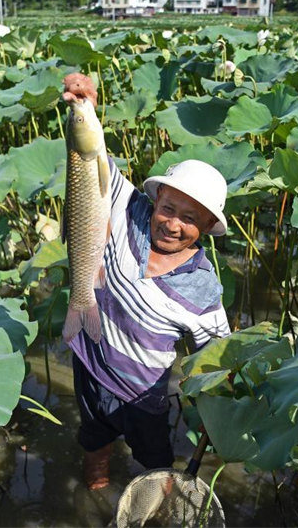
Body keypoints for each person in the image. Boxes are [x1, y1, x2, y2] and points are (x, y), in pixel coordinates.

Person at [62, 73, 231, 490]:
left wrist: (217, 412)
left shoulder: (202, 292)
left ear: (208, 226)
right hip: (92, 364)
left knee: (156, 464)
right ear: (155, 200)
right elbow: (91, 167)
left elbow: (215, 358)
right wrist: (85, 103)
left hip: (144, 395)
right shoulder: (129, 211)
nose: (173, 224)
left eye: (189, 218)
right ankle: (97, 483)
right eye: (168, 208)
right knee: (94, 442)